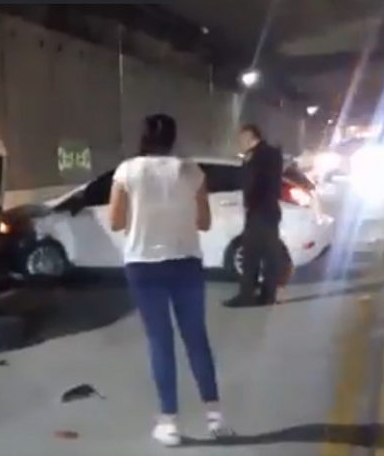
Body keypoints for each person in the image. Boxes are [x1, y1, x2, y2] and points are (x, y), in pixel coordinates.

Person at [108, 114, 232, 446]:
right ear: (173, 138)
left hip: (144, 265)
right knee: (196, 339)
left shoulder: (127, 171)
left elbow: (115, 221)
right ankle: (215, 417)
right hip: (186, 262)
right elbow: (204, 222)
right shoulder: (191, 171)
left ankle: (170, 423)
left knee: (159, 341)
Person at [223, 124, 289, 307]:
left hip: (258, 211)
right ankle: (267, 295)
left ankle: (246, 296)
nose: (240, 143)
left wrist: (248, 203)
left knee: (251, 256)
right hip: (270, 210)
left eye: (241, 139)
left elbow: (251, 183)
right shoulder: (273, 154)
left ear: (250, 137)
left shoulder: (256, 156)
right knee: (268, 256)